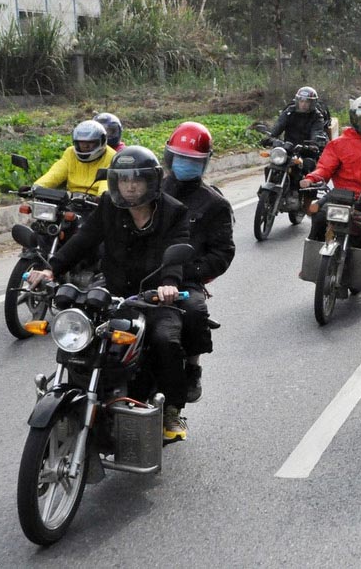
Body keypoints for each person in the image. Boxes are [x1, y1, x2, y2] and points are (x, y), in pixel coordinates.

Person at [26, 146, 193, 442]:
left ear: (150, 182)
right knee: (82, 334)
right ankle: (78, 394)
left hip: (154, 295)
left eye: (137, 180)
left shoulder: (173, 212)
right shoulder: (109, 206)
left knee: (165, 340)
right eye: (123, 180)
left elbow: (175, 251)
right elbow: (84, 239)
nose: (130, 186)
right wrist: (52, 268)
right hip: (114, 289)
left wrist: (168, 284)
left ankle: (172, 409)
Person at [161, 122, 236, 403]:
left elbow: (223, 252)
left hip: (185, 279)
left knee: (194, 311)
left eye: (192, 160)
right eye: (180, 158)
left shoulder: (214, 203)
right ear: (169, 158)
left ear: (204, 163)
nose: (185, 165)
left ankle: (191, 368)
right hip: (141, 273)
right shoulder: (149, 188)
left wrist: (189, 272)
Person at [300, 93, 361, 288]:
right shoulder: (339, 143)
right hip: (341, 196)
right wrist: (311, 178)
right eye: (360, 116)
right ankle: (311, 259)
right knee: (318, 215)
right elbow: (325, 167)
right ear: (353, 116)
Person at [34, 120, 116, 196]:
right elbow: (55, 173)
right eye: (81, 142)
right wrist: (37, 186)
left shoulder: (112, 157)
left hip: (97, 201)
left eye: (91, 142)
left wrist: (103, 196)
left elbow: (107, 181)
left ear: (102, 141)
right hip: (70, 197)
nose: (85, 146)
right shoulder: (70, 153)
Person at [263, 86, 330, 149]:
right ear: (297, 101)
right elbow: (276, 129)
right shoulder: (289, 112)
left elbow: (316, 133)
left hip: (308, 150)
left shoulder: (317, 116)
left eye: (307, 102)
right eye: (301, 101)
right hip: (288, 148)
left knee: (312, 160)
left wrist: (314, 144)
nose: (303, 104)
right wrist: (272, 140)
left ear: (312, 103)